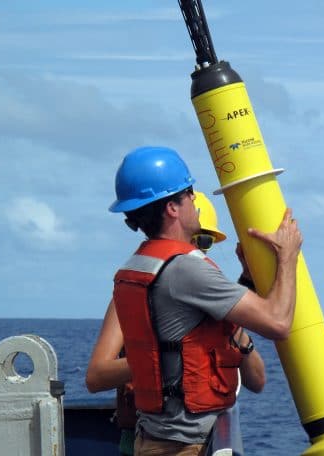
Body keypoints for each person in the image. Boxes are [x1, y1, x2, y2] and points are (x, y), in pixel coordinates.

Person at [107, 145, 302, 456]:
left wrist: (247, 281)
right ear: (172, 207)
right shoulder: (185, 269)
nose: (195, 199)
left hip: (152, 439)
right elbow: (278, 323)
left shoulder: (141, 265)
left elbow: (194, 328)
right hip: (183, 447)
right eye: (189, 193)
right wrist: (288, 257)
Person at [85, 190, 263, 455]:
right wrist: (166, 358)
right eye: (189, 241)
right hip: (150, 436)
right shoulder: (135, 296)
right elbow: (96, 376)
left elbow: (257, 380)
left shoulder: (212, 304)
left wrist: (232, 320)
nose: (192, 251)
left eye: (203, 241)